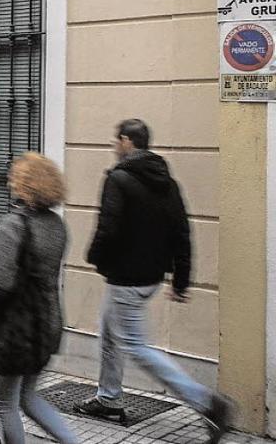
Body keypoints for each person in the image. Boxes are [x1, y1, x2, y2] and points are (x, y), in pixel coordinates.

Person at [74, 119, 233, 443]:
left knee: (135, 346)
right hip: (149, 279)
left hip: (125, 280)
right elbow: (181, 232)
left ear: (127, 141)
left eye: (116, 141)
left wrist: (94, 257)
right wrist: (181, 280)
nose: (114, 147)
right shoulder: (168, 182)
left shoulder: (118, 178)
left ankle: (208, 403)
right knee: (109, 333)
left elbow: (109, 227)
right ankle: (108, 399)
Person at [0, 152, 78, 444]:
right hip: (47, 324)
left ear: (24, 184)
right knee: (28, 396)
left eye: (14, 178)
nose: (10, 183)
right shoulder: (57, 226)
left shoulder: (12, 225)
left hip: (14, 330)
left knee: (6, 403)